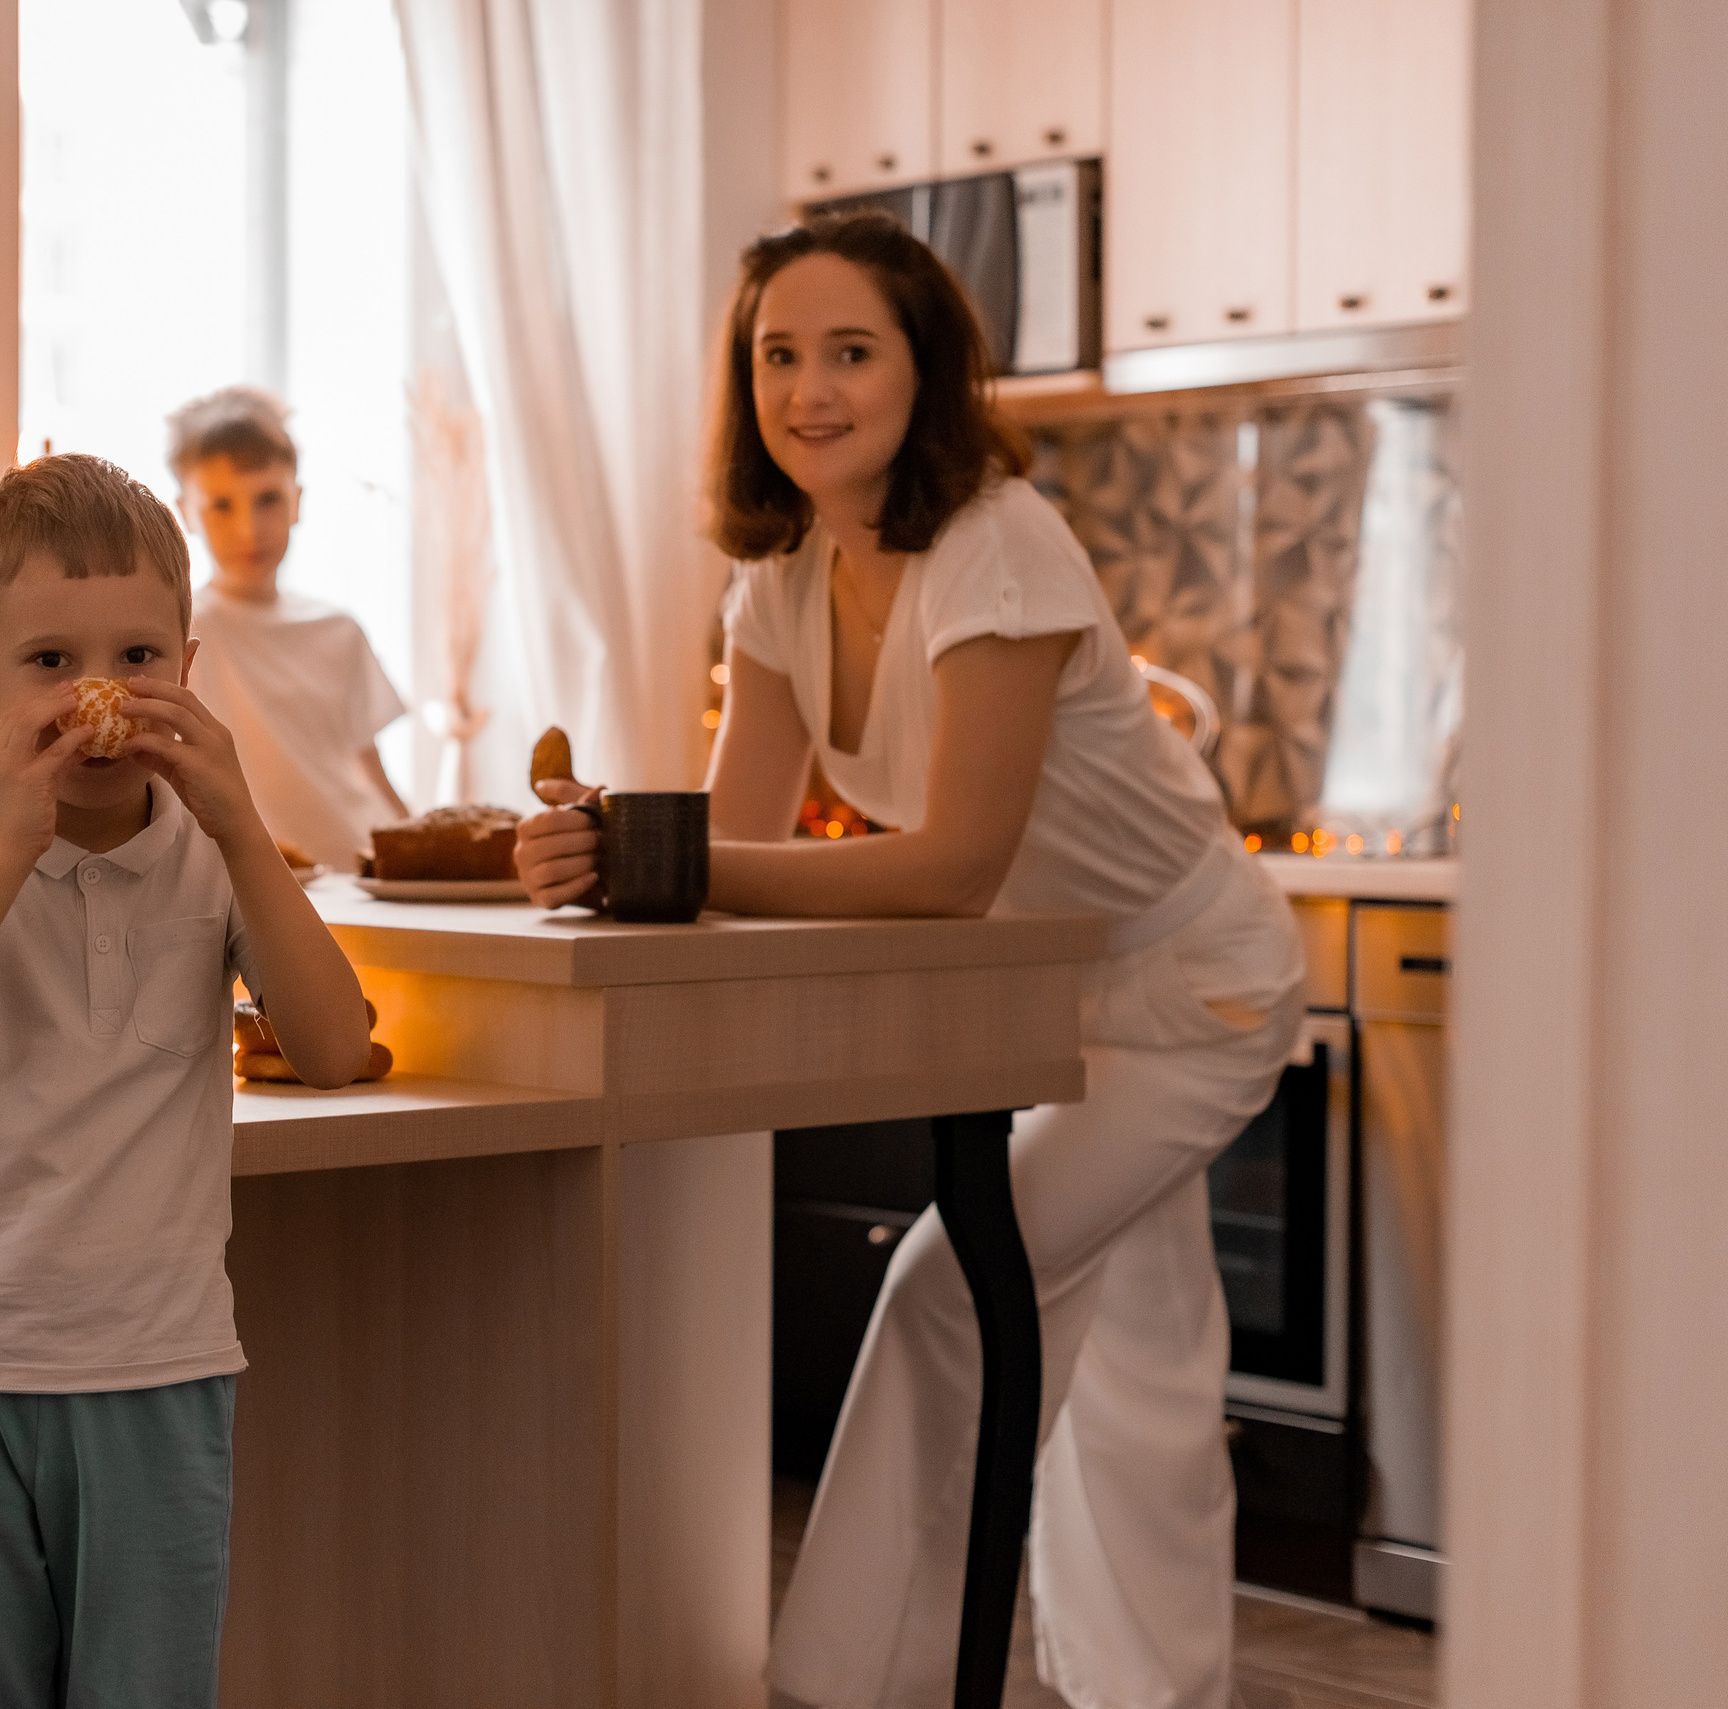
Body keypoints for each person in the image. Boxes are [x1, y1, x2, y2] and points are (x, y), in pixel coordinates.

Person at [516, 214, 1304, 1709]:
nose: (809, 388)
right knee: (1142, 1374)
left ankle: (839, 1688)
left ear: (924, 369)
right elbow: (725, 851)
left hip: (1189, 989)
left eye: (851, 352)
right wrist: (601, 848)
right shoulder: (782, 581)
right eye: (778, 356)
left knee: (948, 1294)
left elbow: (955, 869)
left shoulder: (998, 539)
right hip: (1049, 997)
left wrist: (651, 851)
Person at [0, 453, 372, 1707]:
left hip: (157, 1375)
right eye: (50, 663)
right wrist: (9, 841)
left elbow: (336, 1046)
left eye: (137, 657)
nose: (97, 694)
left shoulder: (215, 854)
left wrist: (240, 825)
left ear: (187, 665)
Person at [167, 385, 410, 870]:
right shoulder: (177, 633)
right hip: (250, 879)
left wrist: (419, 853)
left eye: (268, 499)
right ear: (186, 512)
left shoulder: (338, 630)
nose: (249, 531)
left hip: (352, 874)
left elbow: (369, 770)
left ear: (297, 501)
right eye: (221, 505)